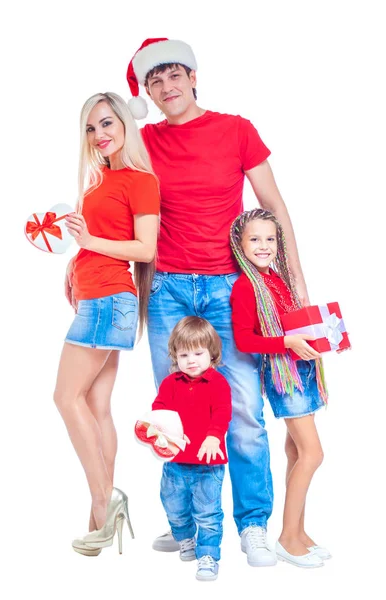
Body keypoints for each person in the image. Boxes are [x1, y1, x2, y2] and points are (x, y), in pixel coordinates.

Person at [123, 37, 309, 566]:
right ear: (148, 92)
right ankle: (187, 522)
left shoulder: (236, 129)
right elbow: (116, 203)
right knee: (174, 410)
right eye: (154, 80)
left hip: (230, 288)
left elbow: (273, 206)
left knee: (244, 411)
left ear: (194, 76)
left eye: (174, 74)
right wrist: (77, 254)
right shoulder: (143, 141)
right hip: (168, 289)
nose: (166, 86)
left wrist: (296, 282)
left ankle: (252, 524)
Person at [55, 91, 160, 557]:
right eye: (91, 128)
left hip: (107, 301)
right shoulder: (100, 179)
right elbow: (94, 241)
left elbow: (145, 250)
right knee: (96, 407)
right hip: (95, 297)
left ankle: (105, 500)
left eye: (106, 124)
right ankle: (99, 521)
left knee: (65, 396)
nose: (99, 135)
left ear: (124, 125)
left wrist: (91, 242)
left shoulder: (139, 179)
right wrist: (73, 264)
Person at [229, 208, 330, 568]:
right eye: (254, 239)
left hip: (303, 371)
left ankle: (298, 531)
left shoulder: (278, 278)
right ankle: (287, 539)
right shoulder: (245, 286)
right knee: (313, 454)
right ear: (240, 244)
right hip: (285, 377)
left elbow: (292, 324)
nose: (263, 245)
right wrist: (287, 343)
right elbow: (244, 340)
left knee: (296, 453)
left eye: (270, 239)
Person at [151, 316, 232, 581]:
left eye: (198, 353)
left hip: (209, 465)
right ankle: (185, 538)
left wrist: (213, 437)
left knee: (208, 513)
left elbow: (223, 413)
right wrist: (158, 430)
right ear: (175, 356)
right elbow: (159, 410)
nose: (191, 360)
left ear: (212, 353)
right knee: (172, 504)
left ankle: (208, 556)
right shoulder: (170, 383)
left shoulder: (218, 383)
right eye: (184, 354)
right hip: (175, 462)